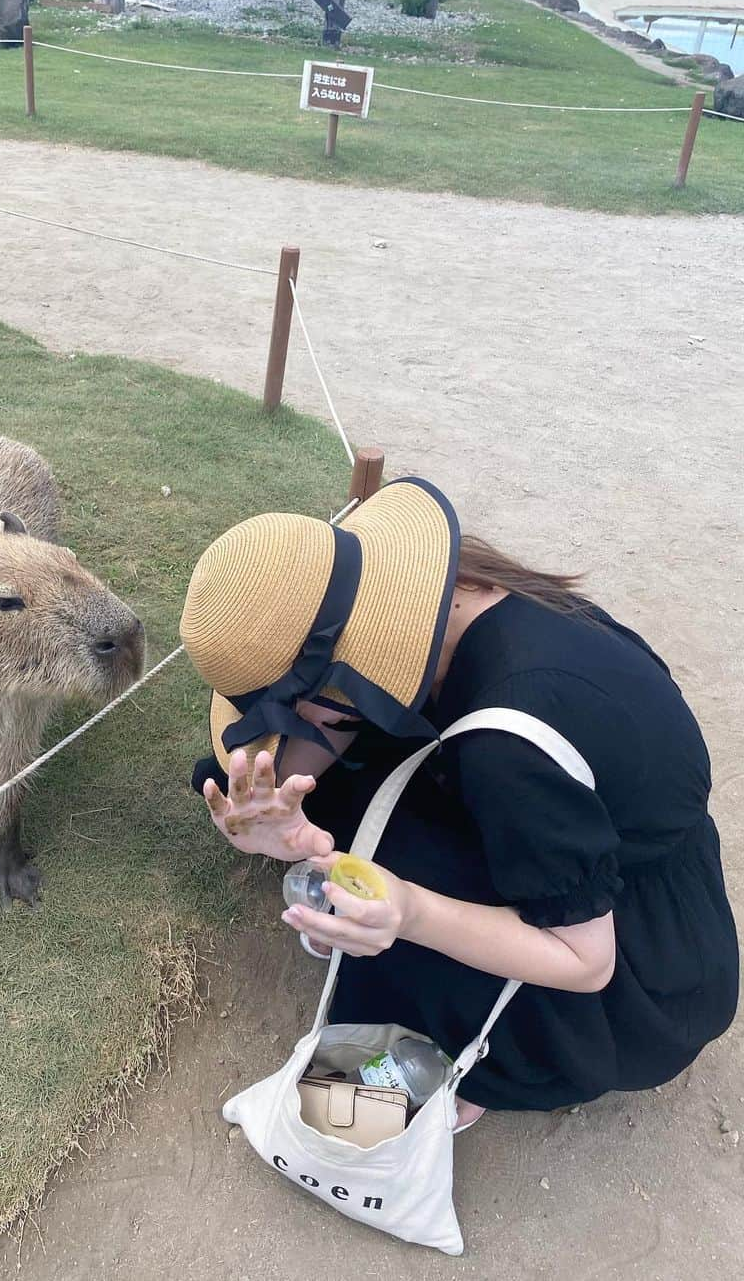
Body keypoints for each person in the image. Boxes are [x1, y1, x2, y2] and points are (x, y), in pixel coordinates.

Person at [179, 478, 738, 1127]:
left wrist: (410, 912)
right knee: (340, 803)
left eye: (290, 711)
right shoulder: (458, 590)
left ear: (343, 674)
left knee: (396, 901)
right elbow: (330, 726)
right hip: (577, 822)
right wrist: (276, 829)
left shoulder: (509, 742)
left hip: (641, 977)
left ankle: (472, 1072)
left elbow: (587, 961)